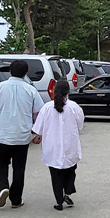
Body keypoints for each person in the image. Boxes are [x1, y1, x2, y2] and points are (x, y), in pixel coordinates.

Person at [0, 60, 45, 208]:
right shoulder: (31, 90)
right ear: (25, 73)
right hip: (22, 136)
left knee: (2, 164)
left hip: (1, 135)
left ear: (10, 71)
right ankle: (16, 200)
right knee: (19, 168)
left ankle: (3, 187)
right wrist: (38, 132)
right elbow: (38, 113)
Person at [32, 79, 85, 210]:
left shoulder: (46, 107)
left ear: (54, 91)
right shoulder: (74, 107)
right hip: (70, 146)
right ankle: (67, 192)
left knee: (55, 175)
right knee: (71, 170)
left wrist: (38, 136)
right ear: (68, 91)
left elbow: (38, 128)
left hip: (52, 148)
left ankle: (59, 201)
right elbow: (80, 125)